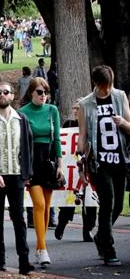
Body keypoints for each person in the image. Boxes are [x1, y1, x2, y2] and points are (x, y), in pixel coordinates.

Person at [0, 82, 35, 275]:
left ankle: (24, 261)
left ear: (12, 96)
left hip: (16, 175)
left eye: (6, 92)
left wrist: (27, 173)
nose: (2, 95)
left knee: (19, 219)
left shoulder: (22, 119)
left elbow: (28, 147)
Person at [77, 65, 130, 266]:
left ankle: (100, 235)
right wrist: (80, 158)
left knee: (117, 204)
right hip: (99, 162)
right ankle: (108, 250)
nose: (108, 90)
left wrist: (122, 124)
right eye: (104, 86)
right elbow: (82, 135)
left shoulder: (120, 96)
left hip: (120, 159)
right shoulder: (85, 104)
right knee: (107, 202)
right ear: (96, 84)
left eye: (110, 86)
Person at [19, 77, 62, 266]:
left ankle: (40, 247)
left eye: (45, 92)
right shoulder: (22, 113)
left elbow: (57, 139)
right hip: (31, 161)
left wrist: (60, 164)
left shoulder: (52, 110)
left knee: (46, 205)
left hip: (48, 161)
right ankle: (42, 249)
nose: (43, 96)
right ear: (31, 93)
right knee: (39, 204)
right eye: (39, 92)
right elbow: (20, 142)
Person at [55, 100, 97, 242]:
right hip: (71, 167)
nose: (75, 112)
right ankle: (62, 223)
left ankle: (88, 230)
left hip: (87, 166)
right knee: (69, 199)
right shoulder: (69, 124)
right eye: (74, 109)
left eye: (78, 109)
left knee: (90, 201)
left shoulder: (91, 125)